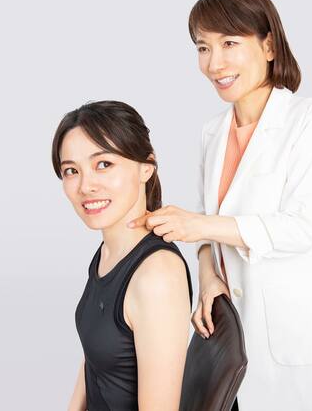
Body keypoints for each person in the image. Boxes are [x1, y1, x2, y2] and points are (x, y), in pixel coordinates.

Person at [128, 0, 312, 410]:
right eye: (203, 48)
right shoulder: (212, 133)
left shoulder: (309, 119)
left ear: (269, 45)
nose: (213, 63)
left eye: (229, 43)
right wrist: (207, 279)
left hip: (297, 343)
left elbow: (301, 229)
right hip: (235, 340)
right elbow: (206, 230)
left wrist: (198, 225)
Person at [53, 101, 193, 411]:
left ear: (146, 167)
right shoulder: (109, 252)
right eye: (71, 171)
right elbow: (96, 360)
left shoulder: (157, 275)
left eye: (103, 164)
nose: (86, 186)